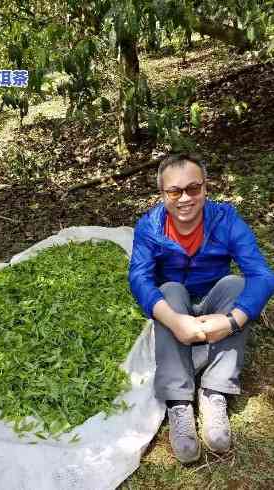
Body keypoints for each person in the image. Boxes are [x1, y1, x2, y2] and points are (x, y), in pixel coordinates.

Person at [128, 154, 274, 463]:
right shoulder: (150, 227)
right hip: (176, 304)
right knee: (167, 290)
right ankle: (179, 400)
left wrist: (232, 322)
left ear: (206, 188)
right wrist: (174, 320)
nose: (185, 198)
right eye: (174, 191)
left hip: (214, 301)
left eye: (194, 188)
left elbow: (261, 275)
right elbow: (139, 278)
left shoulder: (226, 219)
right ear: (162, 194)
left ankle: (214, 392)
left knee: (237, 285)